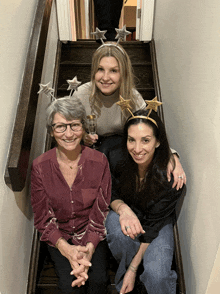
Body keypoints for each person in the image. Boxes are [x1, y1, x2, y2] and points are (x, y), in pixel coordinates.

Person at [72, 42, 186, 189]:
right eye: (100, 69)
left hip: (121, 150)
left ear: (123, 73)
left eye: (114, 71)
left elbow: (151, 131)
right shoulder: (80, 94)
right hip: (91, 149)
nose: (105, 77)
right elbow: (69, 128)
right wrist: (83, 136)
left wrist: (172, 156)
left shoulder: (133, 97)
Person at [31, 96, 111, 294]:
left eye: (74, 125)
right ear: (51, 131)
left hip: (91, 235)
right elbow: (43, 218)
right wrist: (69, 252)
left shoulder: (99, 161)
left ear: (83, 128)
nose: (68, 134)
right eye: (60, 127)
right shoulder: (40, 167)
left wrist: (87, 253)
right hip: (60, 237)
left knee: (99, 281)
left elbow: (100, 212)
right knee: (69, 288)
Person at [105, 103, 186, 294]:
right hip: (124, 209)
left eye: (145, 140)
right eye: (131, 140)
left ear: (158, 142)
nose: (137, 148)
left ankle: (136, 271)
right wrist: (124, 210)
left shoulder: (171, 177)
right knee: (118, 232)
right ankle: (129, 273)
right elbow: (108, 192)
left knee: (156, 275)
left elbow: (152, 227)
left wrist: (133, 269)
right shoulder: (116, 157)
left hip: (156, 222)